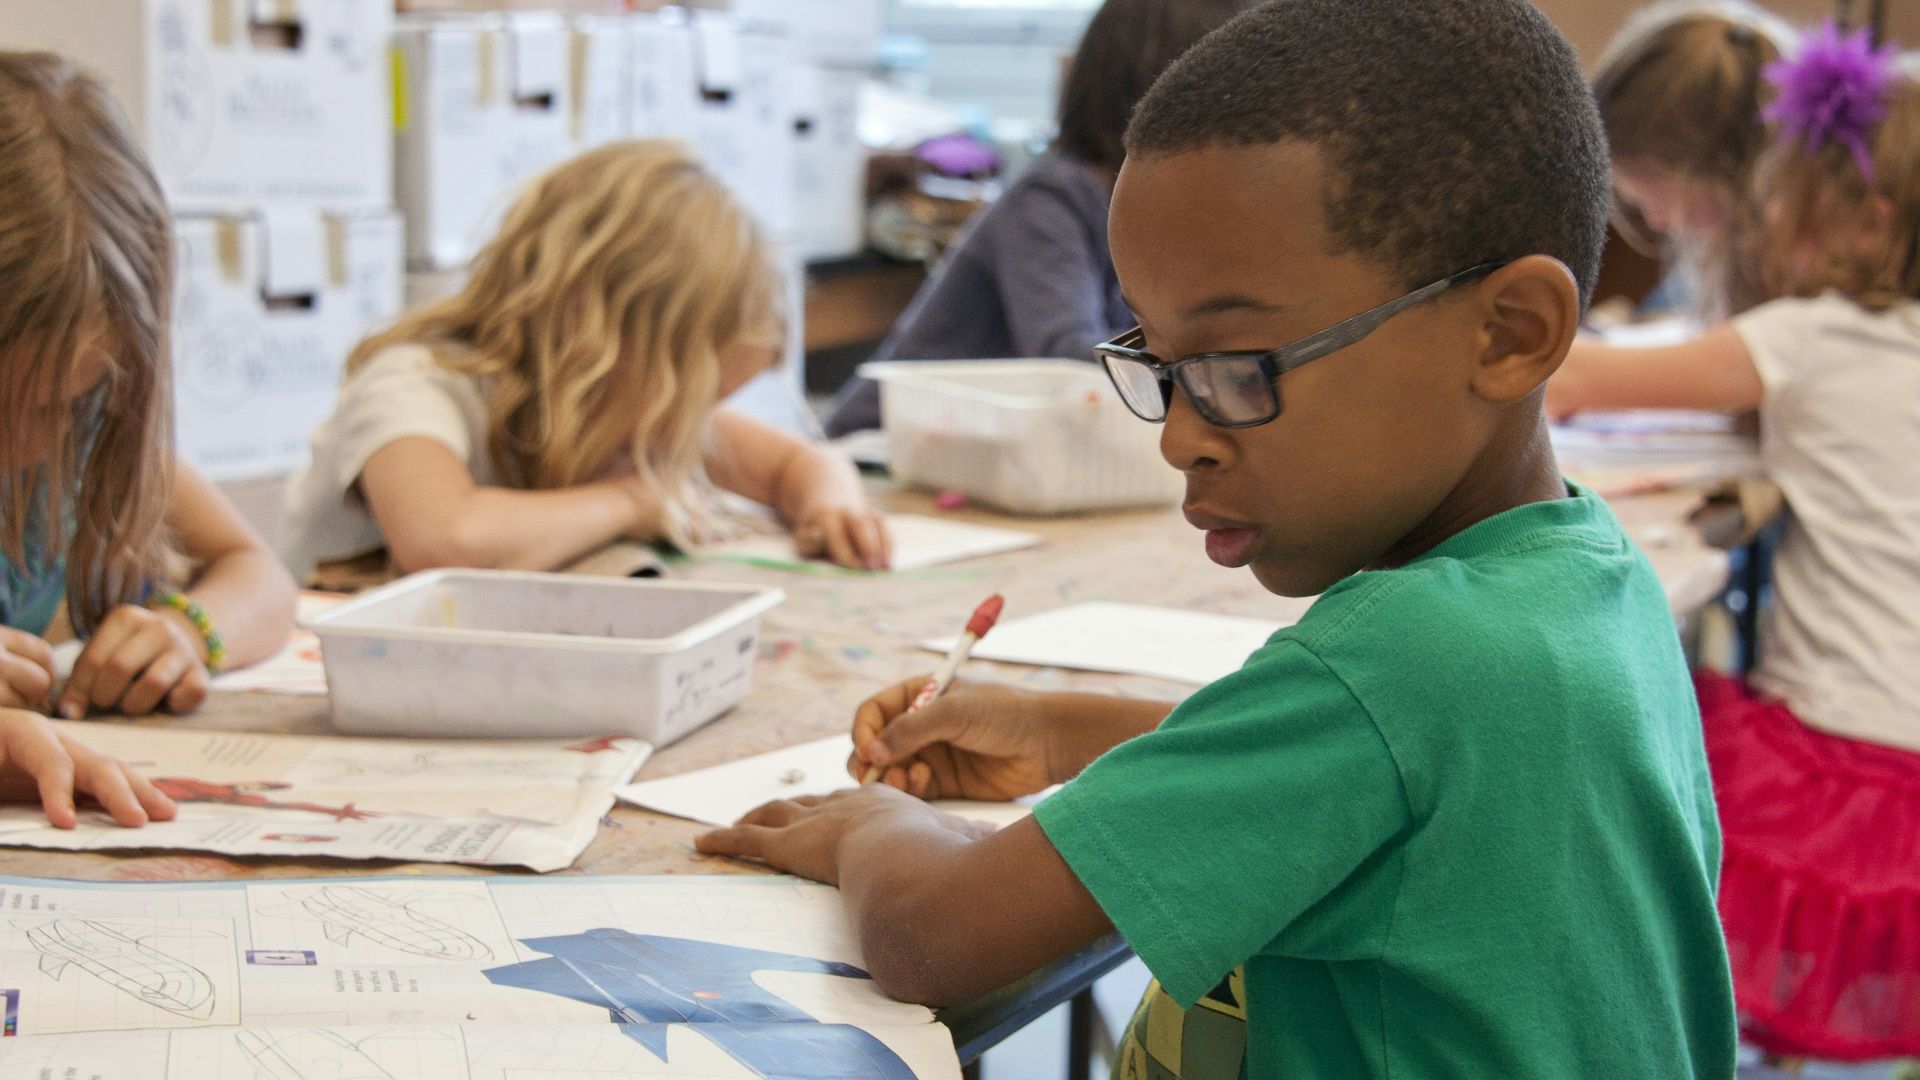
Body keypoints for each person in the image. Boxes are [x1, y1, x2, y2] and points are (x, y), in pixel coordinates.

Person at [699, 2, 1738, 1076]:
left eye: (1240, 370)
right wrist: (1061, 731)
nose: (1182, 439)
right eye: (1158, 365)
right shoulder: (1588, 584)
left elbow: (934, 936)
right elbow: (1402, 776)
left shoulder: (1402, 661)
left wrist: (866, 826)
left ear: (1509, 333)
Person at [1551, 26, 1920, 1060]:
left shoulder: (1807, 337)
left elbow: (1573, 378)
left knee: (1617, 771)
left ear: (1861, 218)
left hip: (1851, 772)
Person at [283, 141, 889, 580]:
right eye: (693, 396)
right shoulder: (415, 384)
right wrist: (630, 503)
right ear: (597, 340)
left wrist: (830, 503)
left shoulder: (628, 407)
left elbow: (798, 464)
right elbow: (443, 538)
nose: (693, 423)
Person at [1, 51, 296, 725]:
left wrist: (186, 630)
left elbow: (261, 576)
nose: (33, 441)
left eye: (63, 404)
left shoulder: (89, 431)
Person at [821, 0, 1257, 437]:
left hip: (1016, 454)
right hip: (881, 449)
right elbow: (1068, 360)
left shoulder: (1159, 207)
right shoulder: (1049, 198)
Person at [1592, 0, 1796, 317]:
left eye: (1658, 204)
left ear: (1726, 174)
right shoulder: (1720, 257)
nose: (1657, 223)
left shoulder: (1791, 277)